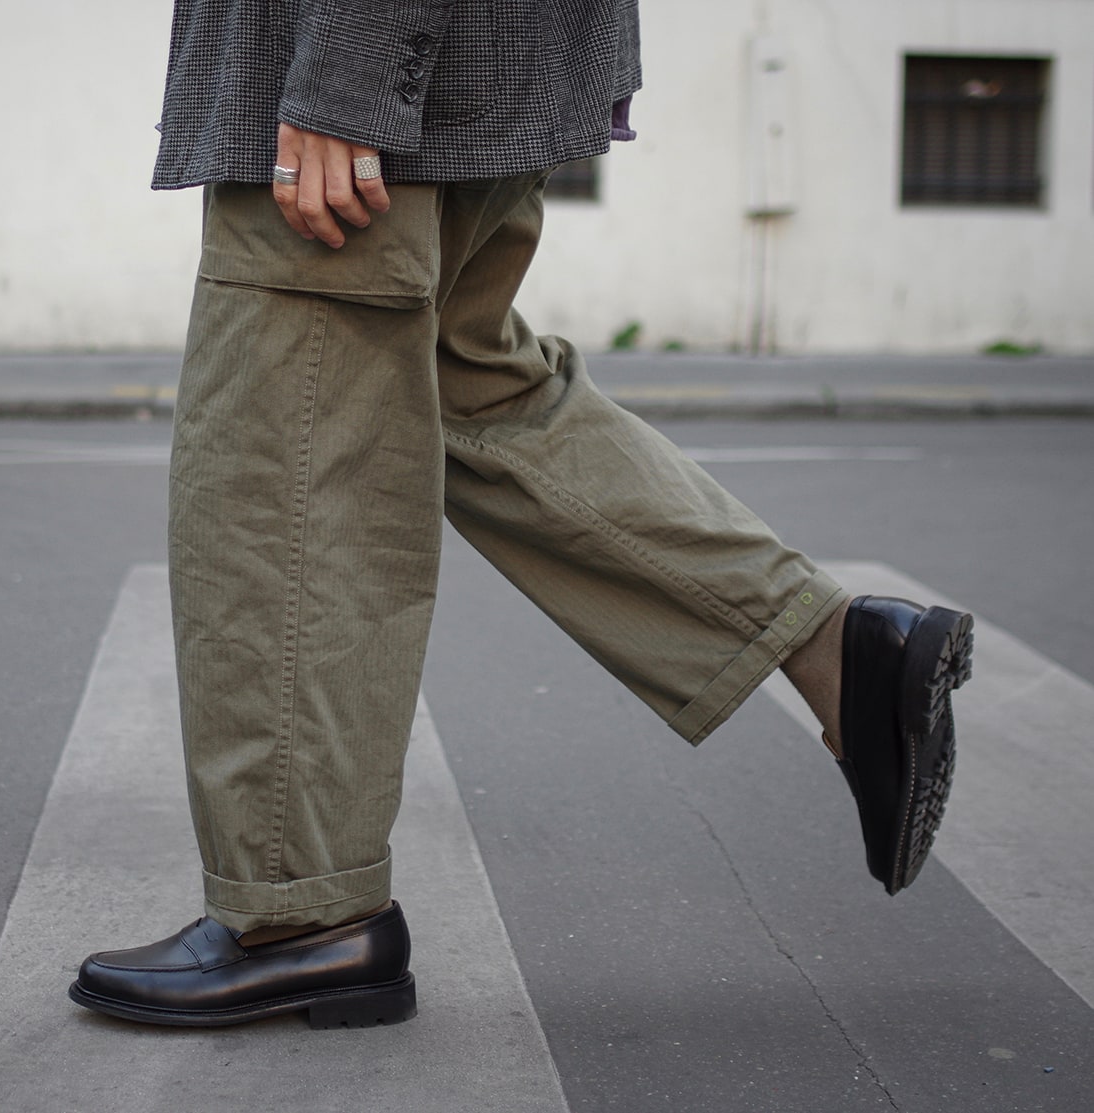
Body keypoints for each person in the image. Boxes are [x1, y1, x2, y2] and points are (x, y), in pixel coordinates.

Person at [67, 0, 974, 1029]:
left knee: (280, 475)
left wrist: (347, 75)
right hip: (471, 65)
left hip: (360, 80)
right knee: (473, 389)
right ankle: (835, 649)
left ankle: (298, 912)